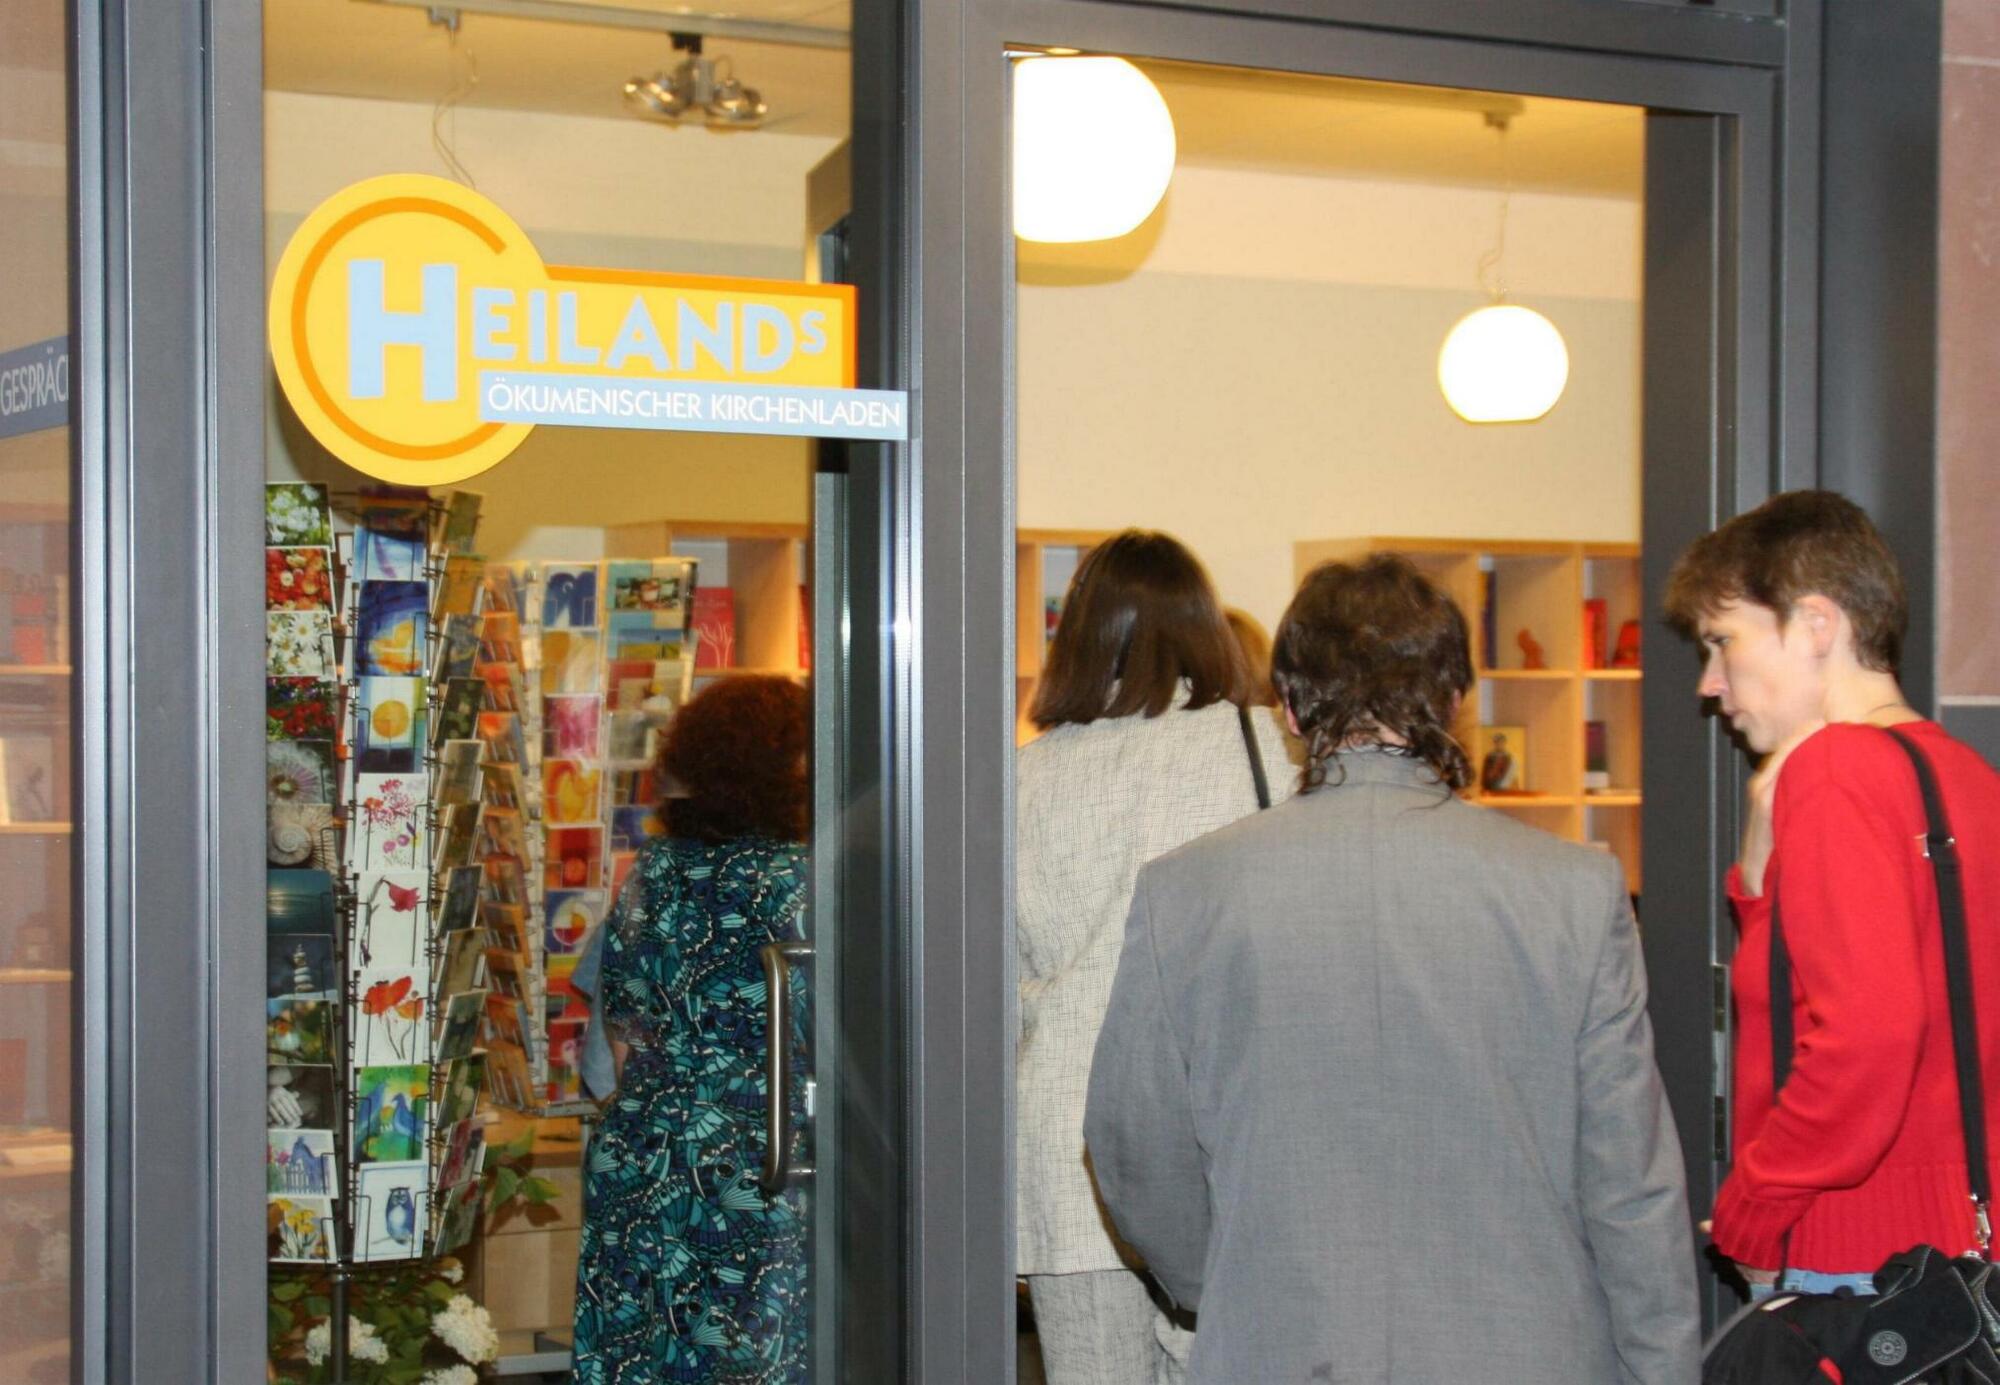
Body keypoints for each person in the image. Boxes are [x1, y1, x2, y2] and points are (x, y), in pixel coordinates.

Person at [1084, 553, 1700, 1384]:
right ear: (1454, 700)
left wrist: (1232, 1272)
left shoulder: (1184, 891)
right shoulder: (1576, 893)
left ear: (1288, 708)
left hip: (1279, 1342)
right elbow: (1631, 1185)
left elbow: (1133, 1146)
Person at [1664, 489, 2000, 1299]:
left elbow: (1866, 1037)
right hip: (1959, 1255)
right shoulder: (1965, 776)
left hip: (1863, 1257)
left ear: (1817, 624)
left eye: (1723, 640)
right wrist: (1759, 881)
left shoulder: (1835, 769)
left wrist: (1753, 1208)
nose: (1711, 683)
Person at [1017, 530, 1297, 1385]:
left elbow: (1001, 987)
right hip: (1221, 1141)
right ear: (1203, 625)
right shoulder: (1265, 747)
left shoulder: (1021, 780)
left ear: (1075, 636)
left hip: (1070, 1153)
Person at [572, 675, 812, 1384]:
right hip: (762, 1160)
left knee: (641, 1356)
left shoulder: (653, 872)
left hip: (643, 1155)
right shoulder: (806, 881)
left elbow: (618, 1047)